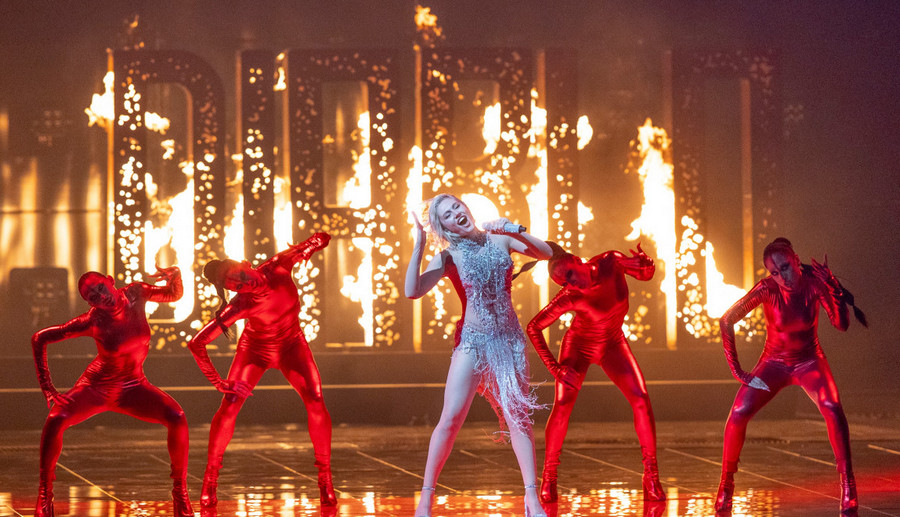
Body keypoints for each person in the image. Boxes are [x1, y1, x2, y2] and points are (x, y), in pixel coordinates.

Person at [405, 193, 553, 517]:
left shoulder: (500, 238)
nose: (456, 213)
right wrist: (419, 244)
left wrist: (514, 229)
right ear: (443, 227)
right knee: (451, 419)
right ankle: (426, 499)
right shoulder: (449, 256)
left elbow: (545, 253)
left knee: (518, 417)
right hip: (472, 343)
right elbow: (412, 291)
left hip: (509, 341)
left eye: (457, 206)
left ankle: (532, 497)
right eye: (447, 214)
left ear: (466, 207)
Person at [715, 237, 866, 513]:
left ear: (796, 260)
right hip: (773, 363)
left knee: (832, 407)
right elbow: (727, 320)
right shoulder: (767, 288)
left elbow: (841, 324)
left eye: (785, 267)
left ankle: (848, 484)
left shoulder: (814, 284)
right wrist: (737, 370)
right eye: (774, 272)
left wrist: (832, 286)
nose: (782, 277)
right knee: (738, 412)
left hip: (809, 361)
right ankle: (726, 485)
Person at [187, 232, 337, 509]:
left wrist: (313, 244)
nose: (245, 284)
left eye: (241, 275)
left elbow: (321, 238)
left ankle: (325, 479)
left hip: (292, 345)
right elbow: (196, 343)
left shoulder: (278, 266)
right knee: (229, 406)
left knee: (316, 400)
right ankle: (210, 478)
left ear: (246, 263)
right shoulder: (240, 305)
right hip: (255, 351)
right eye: (237, 286)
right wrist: (219, 382)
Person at [31, 266, 193, 517]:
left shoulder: (137, 293)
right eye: (93, 296)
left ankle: (180, 494)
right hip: (96, 388)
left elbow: (173, 295)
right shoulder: (92, 320)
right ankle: (44, 496)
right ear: (90, 303)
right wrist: (47, 385)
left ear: (110, 281)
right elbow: (39, 338)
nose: (101, 296)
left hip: (134, 387)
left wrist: (176, 276)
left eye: (101, 288)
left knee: (177, 416)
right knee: (55, 419)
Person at [525, 242, 665, 503]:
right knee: (562, 406)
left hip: (613, 343)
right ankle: (549, 476)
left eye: (569, 274)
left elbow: (644, 275)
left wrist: (647, 266)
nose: (570, 284)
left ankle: (651, 476)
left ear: (578, 260)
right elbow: (534, 327)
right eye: (564, 283)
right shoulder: (570, 296)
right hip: (579, 347)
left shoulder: (611, 262)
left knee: (641, 400)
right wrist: (555, 369)